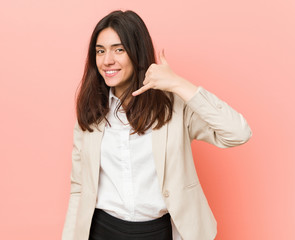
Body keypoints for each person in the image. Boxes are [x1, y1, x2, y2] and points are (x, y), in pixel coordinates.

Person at [62, 10, 252, 240]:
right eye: (100, 51)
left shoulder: (173, 107)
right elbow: (79, 187)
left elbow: (237, 133)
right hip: (102, 230)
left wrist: (179, 84)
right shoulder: (92, 111)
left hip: (158, 231)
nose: (107, 60)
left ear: (137, 53)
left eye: (118, 49)